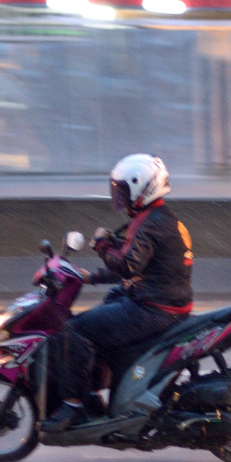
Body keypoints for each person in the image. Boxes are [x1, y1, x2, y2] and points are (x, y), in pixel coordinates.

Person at [41, 154, 194, 433]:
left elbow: (127, 265)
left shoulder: (150, 222)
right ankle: (100, 395)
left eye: (124, 190)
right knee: (110, 302)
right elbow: (139, 268)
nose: (120, 197)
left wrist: (101, 245)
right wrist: (92, 276)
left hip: (155, 309)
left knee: (73, 330)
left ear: (142, 188)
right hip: (162, 303)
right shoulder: (158, 218)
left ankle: (73, 406)